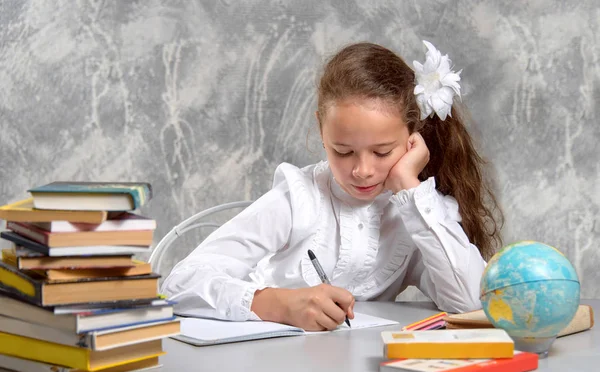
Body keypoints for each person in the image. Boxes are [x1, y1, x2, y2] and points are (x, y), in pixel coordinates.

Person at [160, 41, 503, 331]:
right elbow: (179, 283)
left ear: (413, 138)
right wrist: (275, 303)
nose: (362, 170)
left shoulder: (415, 214)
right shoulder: (298, 198)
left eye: (382, 152)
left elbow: (472, 301)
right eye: (343, 151)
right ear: (322, 132)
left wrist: (410, 190)